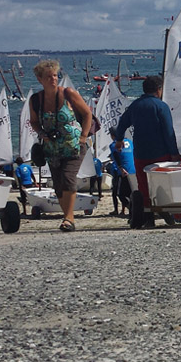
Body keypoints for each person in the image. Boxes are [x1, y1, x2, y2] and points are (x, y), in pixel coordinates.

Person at [29, 59, 94, 232]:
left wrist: (83, 137)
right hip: (52, 147)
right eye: (49, 77)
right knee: (58, 183)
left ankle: (69, 217)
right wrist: (42, 134)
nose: (53, 79)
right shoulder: (36, 100)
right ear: (40, 79)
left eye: (56, 76)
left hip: (74, 145)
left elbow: (87, 114)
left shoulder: (68, 94)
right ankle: (68, 218)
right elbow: (34, 121)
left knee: (68, 177)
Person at [114, 75, 181, 229]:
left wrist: (119, 140)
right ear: (159, 90)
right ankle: (164, 211)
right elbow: (168, 132)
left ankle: (149, 218)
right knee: (162, 185)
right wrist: (174, 153)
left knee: (144, 186)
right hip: (161, 153)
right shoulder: (161, 106)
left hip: (141, 153)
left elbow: (122, 124)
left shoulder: (135, 106)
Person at [108, 127, 135, 217]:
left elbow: (116, 157)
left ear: (112, 136)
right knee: (131, 193)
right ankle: (132, 211)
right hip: (133, 171)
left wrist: (121, 169)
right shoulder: (130, 142)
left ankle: (134, 210)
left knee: (121, 195)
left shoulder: (113, 145)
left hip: (123, 172)